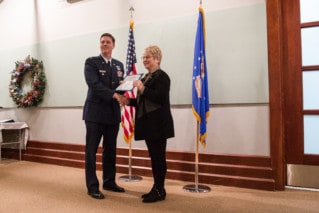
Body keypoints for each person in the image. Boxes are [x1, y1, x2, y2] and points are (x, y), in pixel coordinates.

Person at [120, 45, 175, 203]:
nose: (144, 60)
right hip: (149, 124)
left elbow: (159, 98)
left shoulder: (162, 76)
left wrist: (141, 88)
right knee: (154, 157)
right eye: (143, 57)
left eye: (148, 57)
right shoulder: (145, 77)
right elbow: (142, 102)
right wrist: (126, 101)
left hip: (159, 124)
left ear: (157, 59)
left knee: (159, 158)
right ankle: (158, 188)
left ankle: (159, 190)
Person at [83, 33, 126, 199]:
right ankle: (92, 186)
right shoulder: (91, 62)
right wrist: (115, 95)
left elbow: (119, 86)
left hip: (113, 114)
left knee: (110, 150)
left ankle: (109, 181)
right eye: (102, 42)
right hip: (95, 114)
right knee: (91, 151)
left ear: (113, 45)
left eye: (108, 42)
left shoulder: (118, 65)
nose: (105, 44)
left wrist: (125, 87)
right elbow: (94, 85)